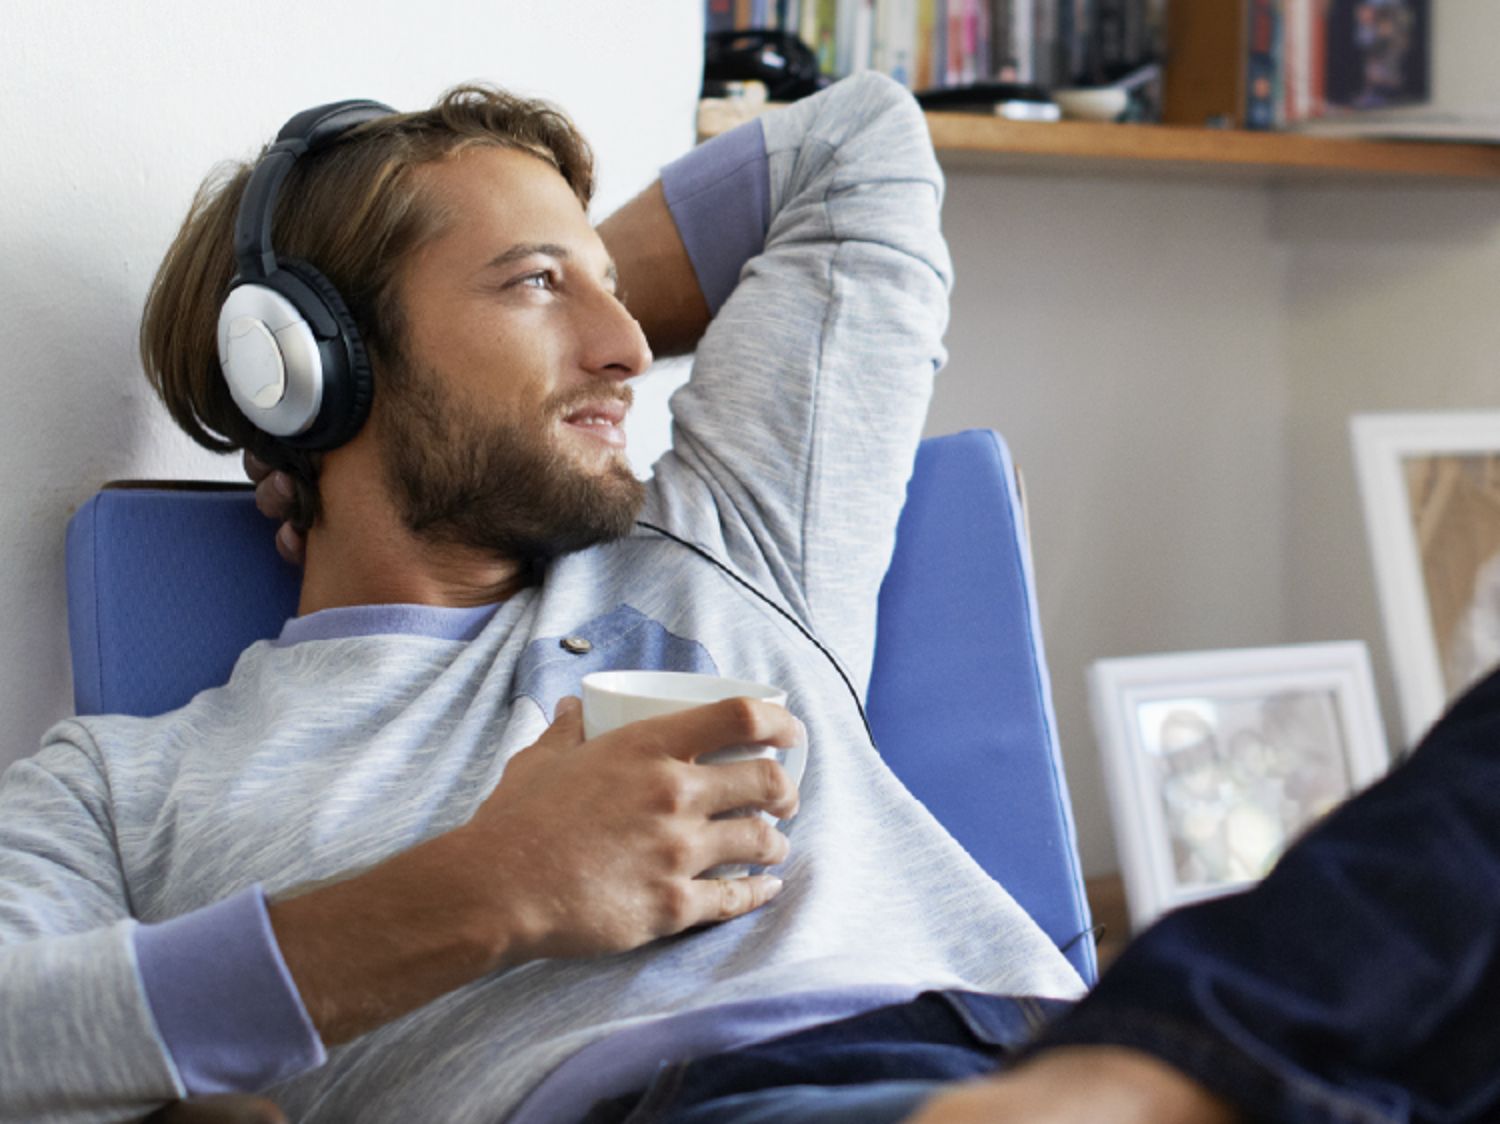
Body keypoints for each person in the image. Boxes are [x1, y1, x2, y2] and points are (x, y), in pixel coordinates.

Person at [0, 70, 1492, 1124]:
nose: (628, 349)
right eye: (534, 285)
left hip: (1081, 1040)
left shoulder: (725, 543)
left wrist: (559, 287)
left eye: (616, 291)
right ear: (316, 361)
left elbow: (860, 145)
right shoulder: (137, 789)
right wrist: (483, 892)